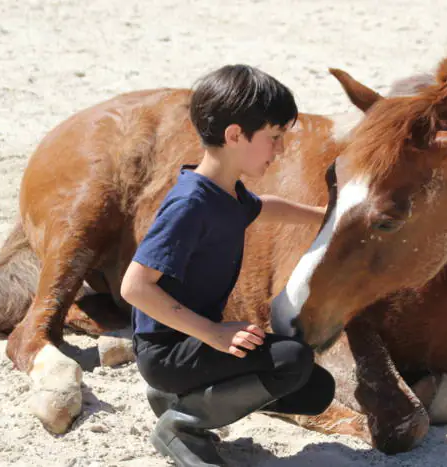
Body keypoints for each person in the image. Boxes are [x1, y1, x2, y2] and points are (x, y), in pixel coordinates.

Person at [120, 64, 336, 467]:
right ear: (235, 135)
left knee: (314, 388)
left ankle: (175, 399)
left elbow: (262, 207)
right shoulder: (190, 204)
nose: (281, 150)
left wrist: (323, 216)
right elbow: (134, 287)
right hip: (169, 352)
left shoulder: (227, 193)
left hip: (192, 345)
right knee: (291, 361)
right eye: (274, 138)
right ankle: (183, 425)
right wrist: (214, 333)